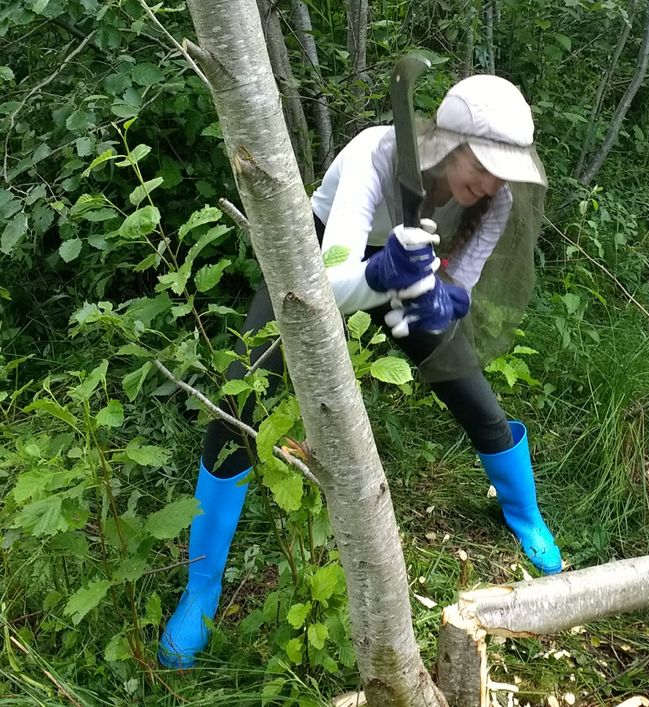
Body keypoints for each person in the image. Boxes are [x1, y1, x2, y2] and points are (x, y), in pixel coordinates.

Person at [157, 74, 563, 669]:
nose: (495, 180)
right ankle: (202, 589)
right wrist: (383, 274)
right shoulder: (376, 154)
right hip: (318, 257)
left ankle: (523, 511)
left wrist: (445, 302)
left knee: (469, 389)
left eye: (507, 167)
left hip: (408, 275)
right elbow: (331, 287)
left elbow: (460, 285)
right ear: (450, 140)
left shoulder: (494, 199)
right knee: (241, 399)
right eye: (486, 161)